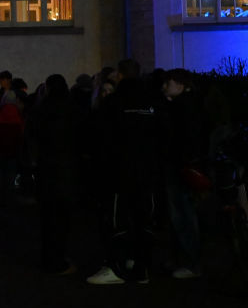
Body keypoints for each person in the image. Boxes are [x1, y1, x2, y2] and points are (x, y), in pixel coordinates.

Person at [87, 59, 163, 285]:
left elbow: (101, 139)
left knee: (117, 219)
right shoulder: (153, 101)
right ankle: (141, 268)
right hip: (148, 171)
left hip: (119, 172)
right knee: (144, 219)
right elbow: (164, 135)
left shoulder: (113, 102)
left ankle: (116, 267)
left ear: (119, 75)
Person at [28, 74, 83, 275]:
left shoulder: (41, 110)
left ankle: (49, 258)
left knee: (48, 219)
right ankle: (58, 259)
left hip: (46, 170)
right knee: (62, 220)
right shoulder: (72, 110)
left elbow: (32, 137)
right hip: (66, 170)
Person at [161, 68, 209, 279]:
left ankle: (190, 261)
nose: (164, 87)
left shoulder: (181, 107)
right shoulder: (194, 104)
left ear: (181, 85)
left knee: (182, 214)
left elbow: (177, 138)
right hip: (186, 166)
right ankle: (185, 259)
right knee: (185, 212)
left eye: (168, 83)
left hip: (180, 167)